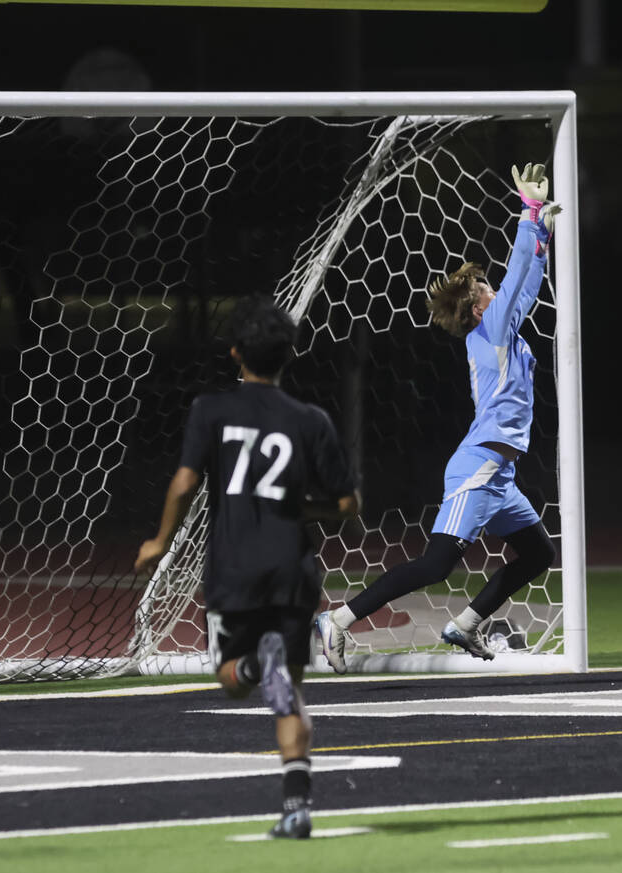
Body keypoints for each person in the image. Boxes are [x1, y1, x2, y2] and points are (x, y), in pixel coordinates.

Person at [314, 162, 560, 670]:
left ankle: (465, 625)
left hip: (501, 474)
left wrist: (540, 238)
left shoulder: (498, 331)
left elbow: (521, 289)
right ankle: (337, 620)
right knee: (435, 566)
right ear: (475, 308)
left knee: (537, 554)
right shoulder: (489, 333)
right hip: (479, 468)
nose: (494, 291)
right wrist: (529, 216)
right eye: (485, 290)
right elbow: (516, 286)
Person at [134, 296, 360, 840]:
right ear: (289, 355)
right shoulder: (311, 420)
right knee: (289, 691)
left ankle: (255, 667)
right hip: (292, 570)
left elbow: (186, 483)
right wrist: (299, 507)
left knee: (232, 681)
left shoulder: (211, 410)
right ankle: (298, 806)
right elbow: (347, 505)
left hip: (233, 571)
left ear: (235, 352)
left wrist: (160, 541)